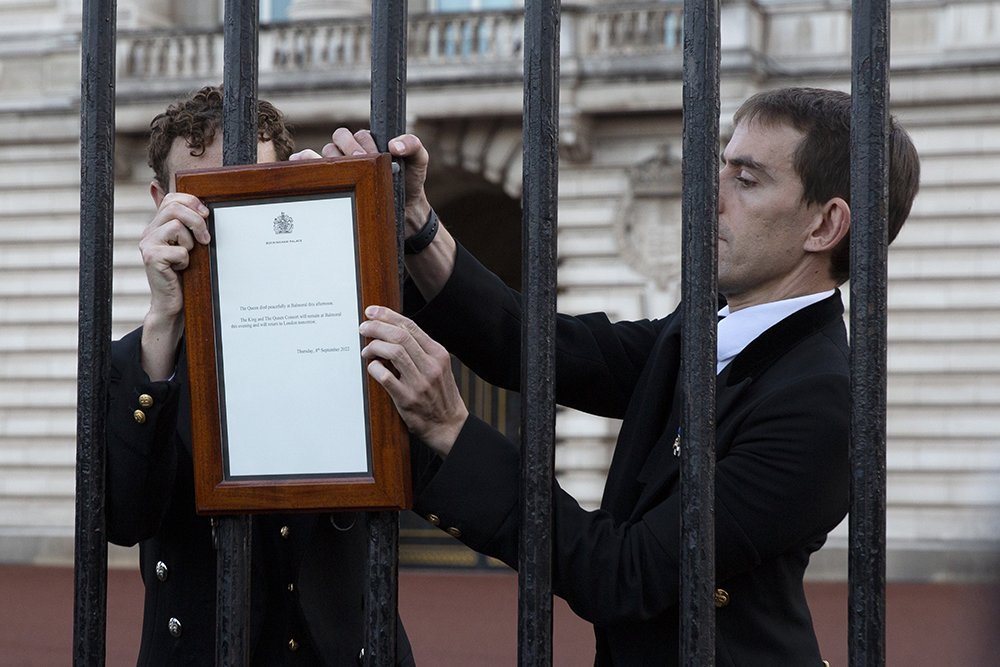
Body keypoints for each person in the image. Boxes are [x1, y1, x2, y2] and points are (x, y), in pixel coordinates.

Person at [311, 87, 920, 664]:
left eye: (747, 178)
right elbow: (544, 350)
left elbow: (621, 575)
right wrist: (418, 227)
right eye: (722, 165)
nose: (711, 191)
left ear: (824, 227)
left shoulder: (821, 403)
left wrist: (451, 429)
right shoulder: (708, 324)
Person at [105, 85, 415, 666]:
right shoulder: (139, 361)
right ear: (159, 200)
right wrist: (162, 325)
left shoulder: (351, 315)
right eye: (205, 196)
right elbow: (124, 520)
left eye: (246, 188)